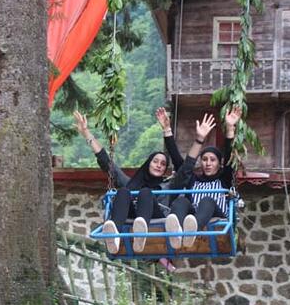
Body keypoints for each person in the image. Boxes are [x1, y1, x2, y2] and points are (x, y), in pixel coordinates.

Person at [73, 110, 183, 263]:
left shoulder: (168, 185)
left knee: (145, 193)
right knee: (124, 191)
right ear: (148, 163)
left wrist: (167, 131)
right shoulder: (133, 184)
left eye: (163, 164)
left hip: (156, 219)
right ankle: (115, 235)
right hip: (133, 216)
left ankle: (141, 233)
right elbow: (108, 164)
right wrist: (86, 133)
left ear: (165, 170)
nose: (159, 165)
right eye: (155, 161)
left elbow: (183, 168)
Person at [165, 107, 241, 249]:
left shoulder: (224, 179)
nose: (208, 163)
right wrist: (198, 139)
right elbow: (180, 162)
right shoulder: (193, 180)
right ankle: (176, 233)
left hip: (217, 214)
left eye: (213, 160)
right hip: (192, 217)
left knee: (207, 201)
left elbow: (230, 158)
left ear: (219, 163)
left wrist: (230, 129)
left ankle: (192, 231)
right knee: (181, 201)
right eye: (205, 159)